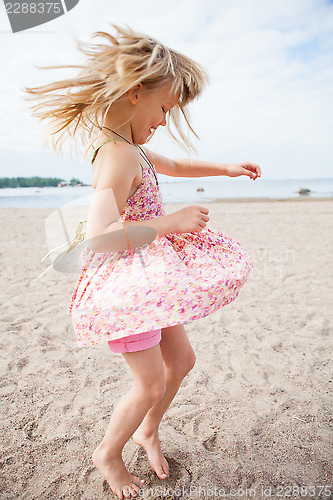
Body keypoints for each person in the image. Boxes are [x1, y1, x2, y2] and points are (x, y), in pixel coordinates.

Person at [24, 23, 261, 500]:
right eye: (163, 109)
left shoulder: (133, 149)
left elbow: (174, 166)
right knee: (151, 382)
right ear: (135, 93)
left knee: (183, 360)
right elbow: (100, 239)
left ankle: (146, 430)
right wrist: (170, 222)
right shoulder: (115, 155)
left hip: (148, 281)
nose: (163, 121)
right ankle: (108, 454)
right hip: (124, 289)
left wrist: (225, 166)